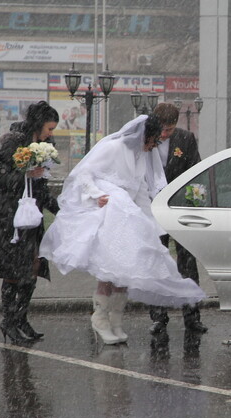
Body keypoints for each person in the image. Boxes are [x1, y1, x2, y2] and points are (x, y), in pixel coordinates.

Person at [39, 114, 206, 345]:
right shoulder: (114, 147)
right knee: (110, 269)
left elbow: (140, 190)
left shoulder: (141, 154)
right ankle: (100, 318)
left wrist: (153, 225)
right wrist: (97, 195)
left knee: (124, 272)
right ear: (145, 136)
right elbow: (85, 173)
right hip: (109, 213)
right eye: (154, 140)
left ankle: (115, 319)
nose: (154, 146)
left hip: (127, 215)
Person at [0, 100, 60, 344]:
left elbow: (42, 186)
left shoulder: (45, 146)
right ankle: (8, 322)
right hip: (9, 216)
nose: (51, 134)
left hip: (32, 215)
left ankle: (21, 318)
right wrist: (25, 175)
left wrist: (59, 209)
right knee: (14, 271)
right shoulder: (14, 142)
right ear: (38, 124)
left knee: (32, 267)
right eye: (50, 128)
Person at [148, 102, 208, 335]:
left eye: (169, 130)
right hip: (153, 211)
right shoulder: (144, 140)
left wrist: (195, 202)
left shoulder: (186, 139)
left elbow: (196, 172)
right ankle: (158, 317)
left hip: (179, 210)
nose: (164, 135)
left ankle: (192, 316)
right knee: (157, 264)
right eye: (162, 130)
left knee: (188, 264)